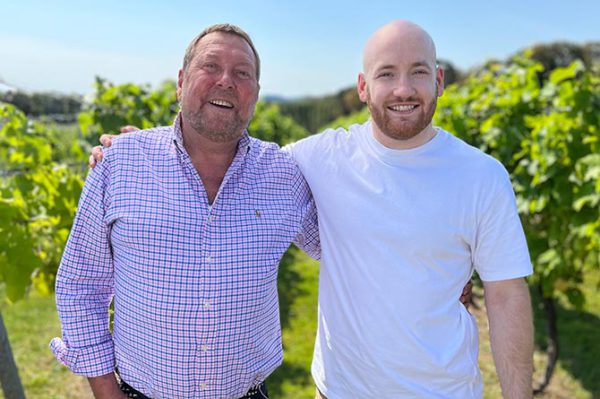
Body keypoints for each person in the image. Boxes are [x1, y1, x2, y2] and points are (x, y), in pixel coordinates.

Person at [89, 20, 524, 399]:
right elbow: (228, 144)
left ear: (440, 81)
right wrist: (141, 150)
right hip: (339, 391)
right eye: (386, 73)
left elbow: (506, 296)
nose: (403, 89)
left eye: (419, 72)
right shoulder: (318, 157)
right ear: (362, 87)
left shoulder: (481, 176)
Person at [51, 24, 321, 399]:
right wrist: (106, 391)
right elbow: (81, 286)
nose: (226, 81)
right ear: (181, 82)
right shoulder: (120, 163)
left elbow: (343, 247)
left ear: (255, 94)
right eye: (210, 66)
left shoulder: (284, 174)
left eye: (242, 73)